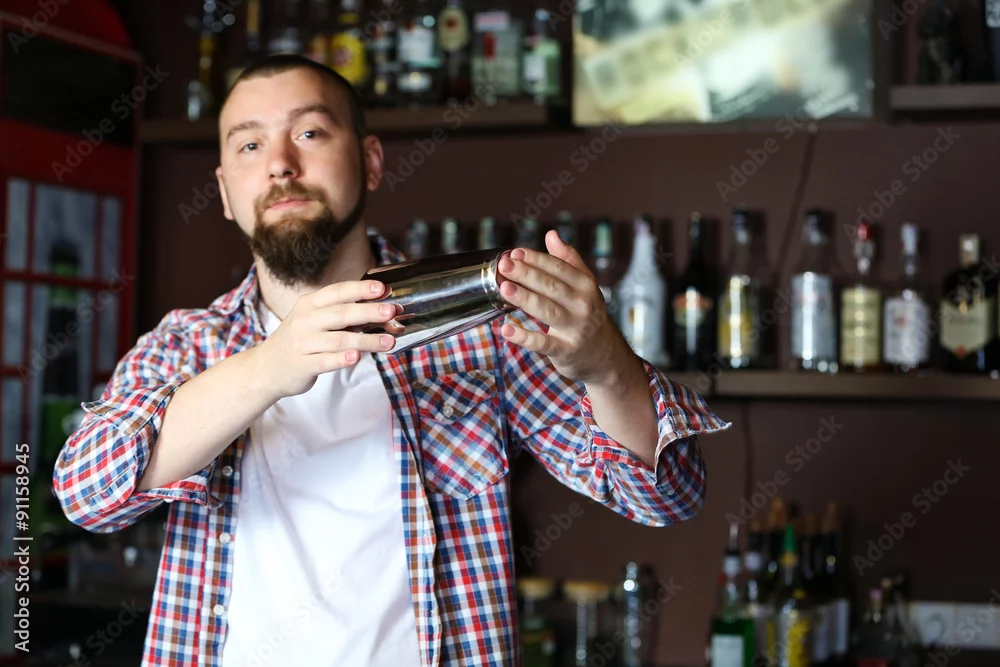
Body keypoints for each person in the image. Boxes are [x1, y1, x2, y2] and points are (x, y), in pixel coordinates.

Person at [54, 54, 729, 667]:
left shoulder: (480, 331)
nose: (280, 163)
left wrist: (606, 365)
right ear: (226, 192)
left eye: (310, 132)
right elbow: (86, 493)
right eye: (250, 144)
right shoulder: (185, 345)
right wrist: (270, 365)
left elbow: (665, 494)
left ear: (371, 161)